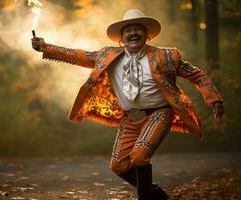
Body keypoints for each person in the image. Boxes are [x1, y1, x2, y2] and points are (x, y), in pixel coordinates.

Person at [32, 9, 224, 200]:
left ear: (147, 35)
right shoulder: (107, 55)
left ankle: (145, 197)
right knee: (118, 165)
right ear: (121, 38)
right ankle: (156, 195)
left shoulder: (166, 57)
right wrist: (45, 47)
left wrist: (213, 99)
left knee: (140, 156)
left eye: (137, 29)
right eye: (128, 30)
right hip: (130, 118)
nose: (133, 33)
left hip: (159, 113)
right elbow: (77, 55)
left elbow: (197, 75)